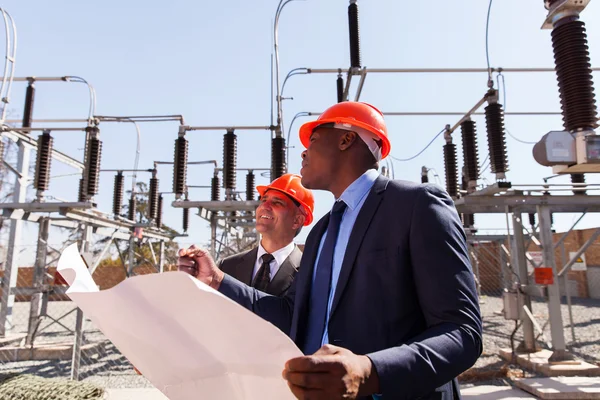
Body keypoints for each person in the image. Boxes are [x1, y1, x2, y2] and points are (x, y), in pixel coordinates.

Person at [178, 102, 482, 400]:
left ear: (346, 138)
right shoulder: (323, 230)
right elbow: (291, 315)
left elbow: (462, 332)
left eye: (313, 139)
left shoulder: (415, 205)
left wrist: (371, 371)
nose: (304, 151)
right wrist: (217, 280)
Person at [179, 173, 314, 296]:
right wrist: (194, 284)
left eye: (277, 202)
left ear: (297, 220)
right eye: (263, 200)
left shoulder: (310, 273)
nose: (263, 206)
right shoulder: (227, 266)